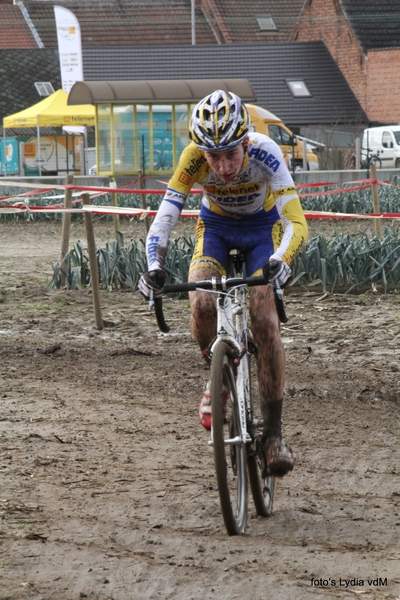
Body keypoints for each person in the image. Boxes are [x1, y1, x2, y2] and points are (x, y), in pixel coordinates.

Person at [139, 90, 308, 477]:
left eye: (231, 154)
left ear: (246, 142)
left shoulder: (266, 152)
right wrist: (153, 266)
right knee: (199, 301)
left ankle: (274, 436)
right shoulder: (194, 158)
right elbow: (166, 216)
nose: (224, 166)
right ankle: (219, 378)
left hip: (263, 229)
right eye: (214, 157)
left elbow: (296, 221)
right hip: (214, 227)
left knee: (264, 320)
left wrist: (281, 260)